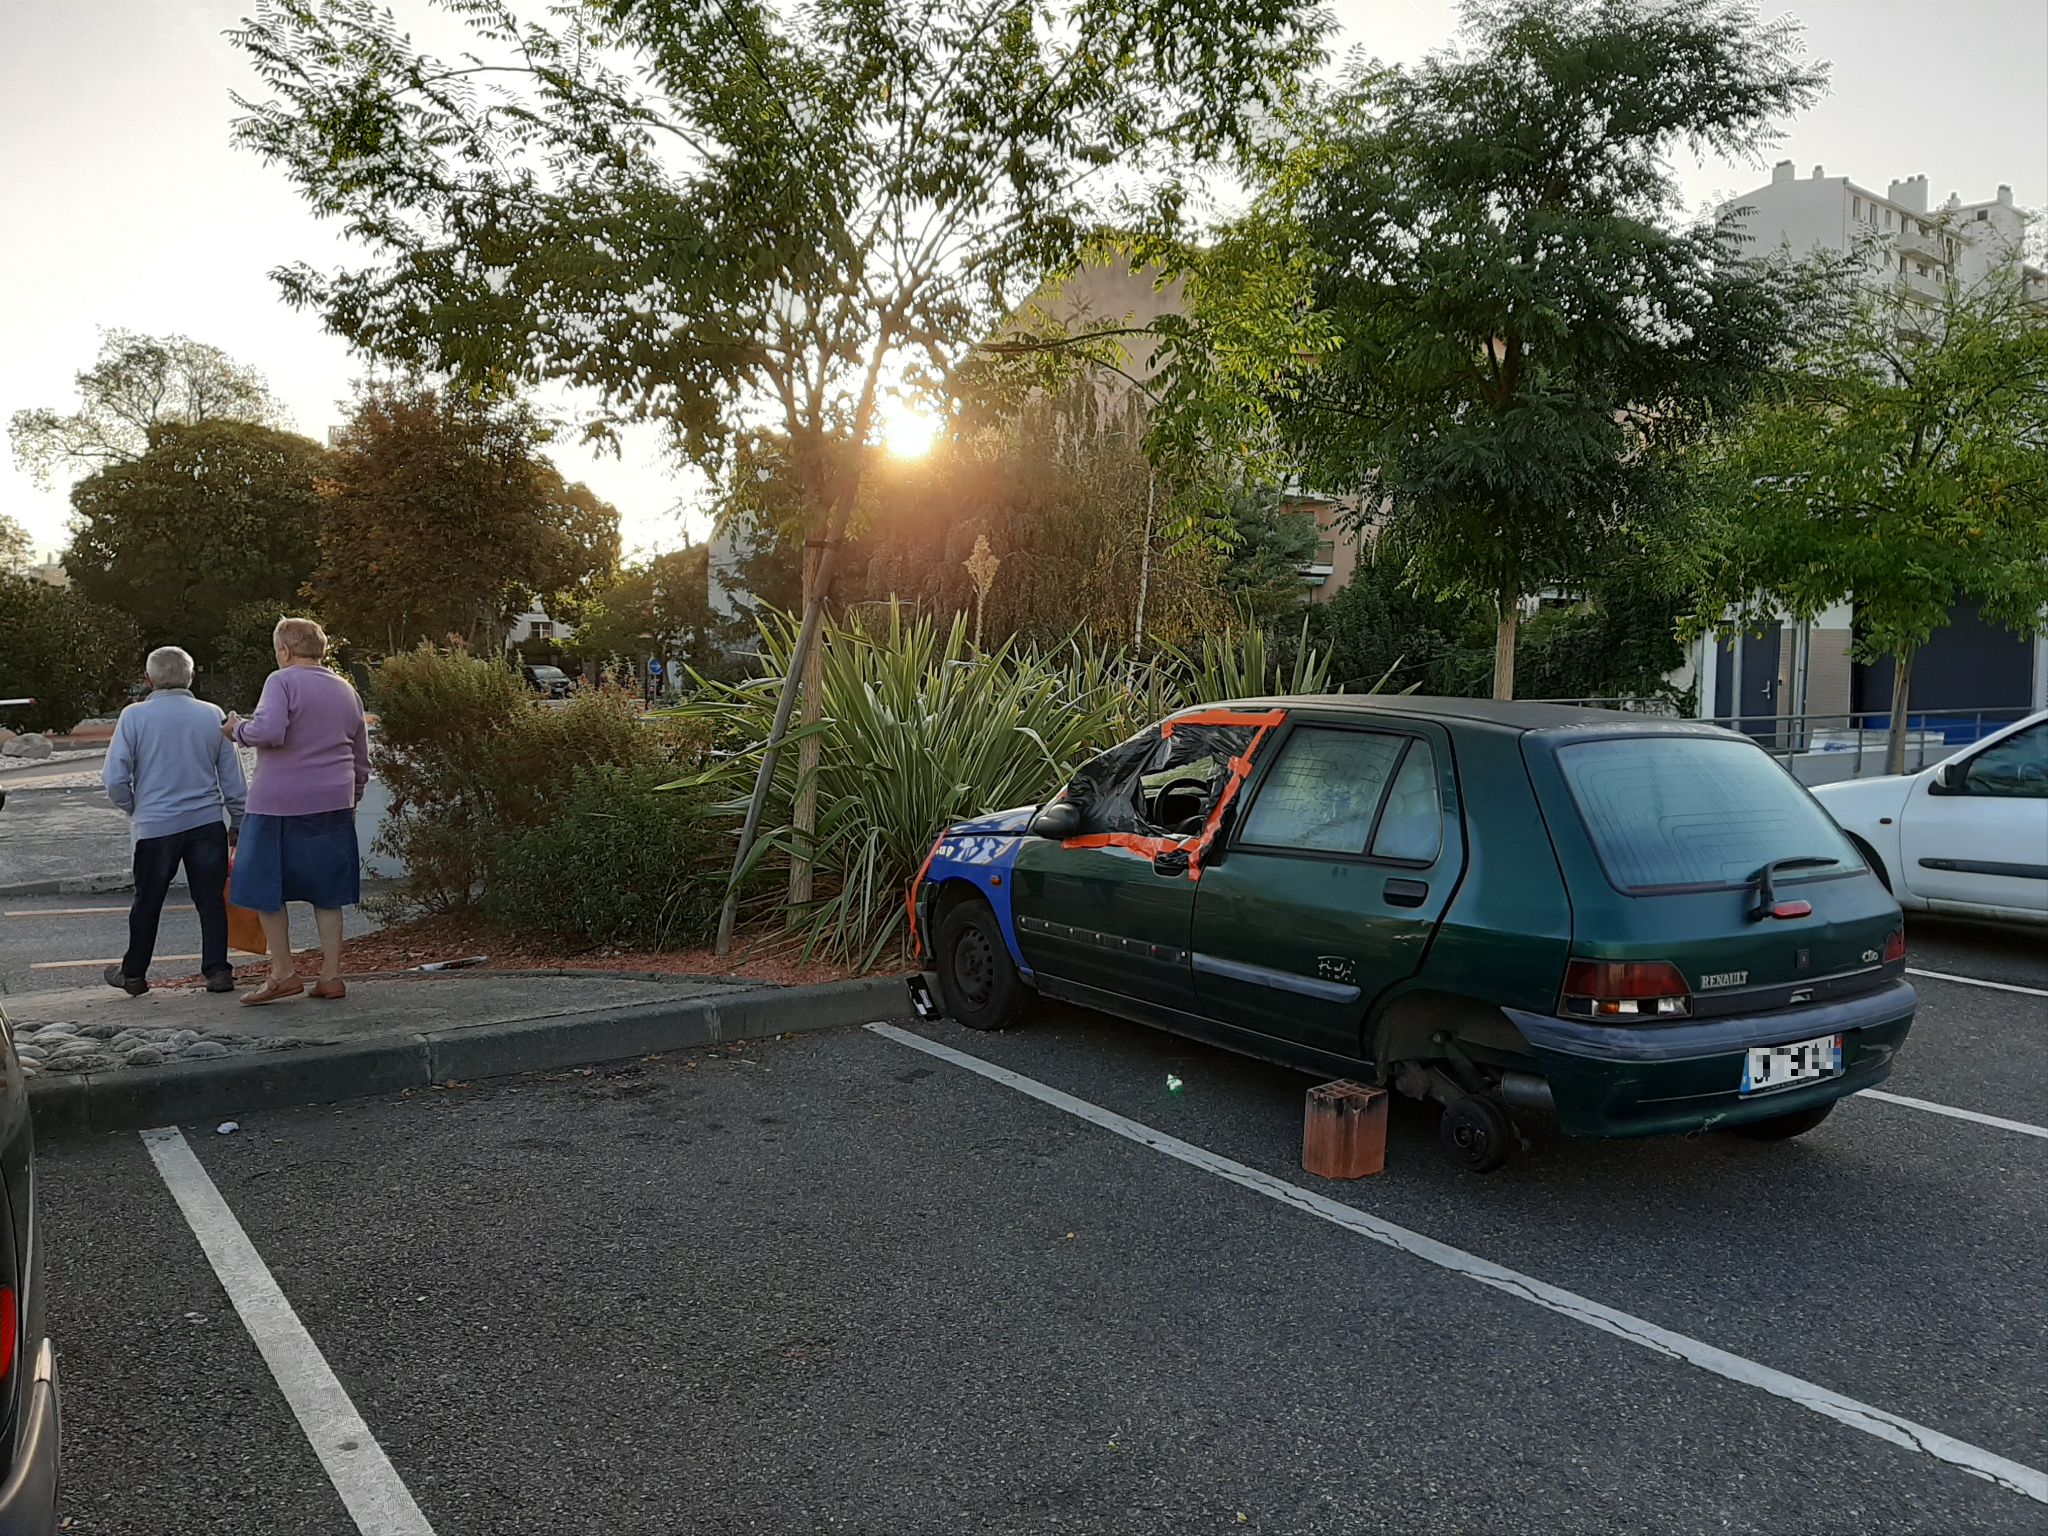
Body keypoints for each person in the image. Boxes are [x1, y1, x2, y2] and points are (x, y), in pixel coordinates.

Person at [222, 617, 370, 1005]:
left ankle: (284, 971)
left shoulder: (281, 681)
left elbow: (270, 732)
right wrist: (352, 795)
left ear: (284, 650)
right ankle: (331, 975)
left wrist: (237, 729)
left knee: (266, 887)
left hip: (277, 804)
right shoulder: (346, 689)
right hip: (334, 802)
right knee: (328, 892)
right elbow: (360, 756)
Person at [101, 646, 247, 996]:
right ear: (192, 677)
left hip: (155, 825)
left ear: (148, 679)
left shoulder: (134, 717)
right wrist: (239, 820)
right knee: (210, 899)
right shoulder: (211, 714)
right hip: (206, 822)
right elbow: (233, 779)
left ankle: (134, 974)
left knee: (148, 900)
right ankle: (217, 970)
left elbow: (115, 778)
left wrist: (133, 807)